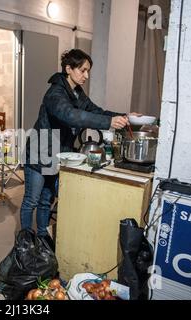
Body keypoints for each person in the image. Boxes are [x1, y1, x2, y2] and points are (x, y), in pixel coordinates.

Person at [21, 49, 140, 244]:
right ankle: (24, 242)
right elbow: (70, 115)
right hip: (40, 150)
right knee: (31, 201)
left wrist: (125, 116)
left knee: (46, 200)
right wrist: (109, 122)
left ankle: (42, 237)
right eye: (83, 70)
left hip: (59, 152)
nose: (86, 76)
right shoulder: (55, 93)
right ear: (69, 69)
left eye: (88, 71)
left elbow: (96, 111)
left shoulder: (77, 93)